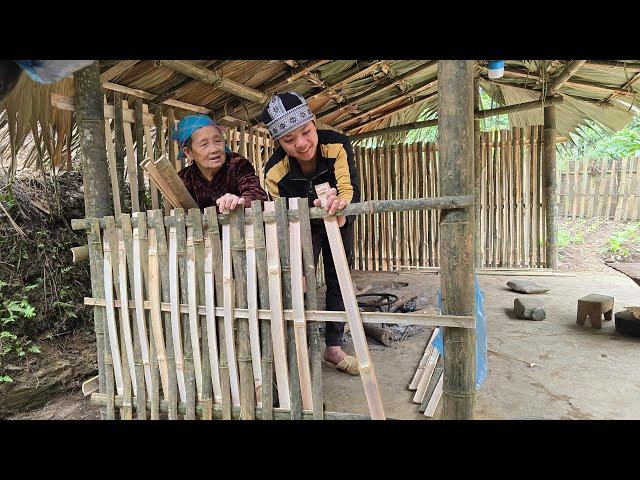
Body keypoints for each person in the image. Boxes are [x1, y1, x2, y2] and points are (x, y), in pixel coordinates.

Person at [262, 91, 361, 376]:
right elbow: (281, 219)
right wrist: (294, 259)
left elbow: (349, 189)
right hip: (299, 228)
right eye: (289, 140)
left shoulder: (337, 145)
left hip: (336, 218)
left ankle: (333, 346)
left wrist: (340, 207)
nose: (302, 143)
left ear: (313, 121)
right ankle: (301, 348)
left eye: (306, 131)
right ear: (278, 142)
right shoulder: (274, 172)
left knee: (339, 277)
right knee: (299, 283)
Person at [174, 114, 268, 211]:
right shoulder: (183, 179)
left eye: (217, 141)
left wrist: (239, 201)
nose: (214, 149)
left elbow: (257, 196)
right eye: (204, 144)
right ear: (188, 153)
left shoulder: (238, 165)